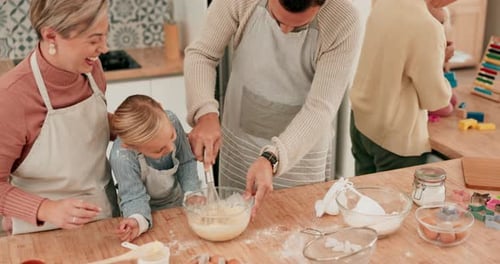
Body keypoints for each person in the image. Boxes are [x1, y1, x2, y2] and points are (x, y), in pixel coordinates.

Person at [184, 0, 362, 217]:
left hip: (298, 156)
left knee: (294, 229)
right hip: (241, 145)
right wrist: (205, 113)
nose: (285, 31)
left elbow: (320, 108)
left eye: (298, 27)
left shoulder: (343, 20)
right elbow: (202, 54)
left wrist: (272, 158)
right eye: (277, 20)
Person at [0, 0, 118, 235]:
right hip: (41, 232)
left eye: (105, 36)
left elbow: (87, 128)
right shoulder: (11, 97)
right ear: (51, 36)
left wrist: (141, 126)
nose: (104, 48)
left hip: (104, 218)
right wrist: (46, 208)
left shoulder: (91, 69)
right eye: (94, 40)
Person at [349, 0, 457, 176]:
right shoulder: (427, 27)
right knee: (394, 202)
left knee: (363, 197)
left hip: (361, 120)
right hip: (394, 137)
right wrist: (439, 60)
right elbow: (435, 100)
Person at [109, 95, 200, 242]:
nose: (171, 148)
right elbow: (133, 197)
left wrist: (192, 193)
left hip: (176, 205)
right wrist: (137, 221)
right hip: (144, 214)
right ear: (131, 146)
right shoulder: (122, 157)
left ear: (161, 107)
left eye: (172, 136)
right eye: (159, 150)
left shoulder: (172, 120)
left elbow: (186, 162)